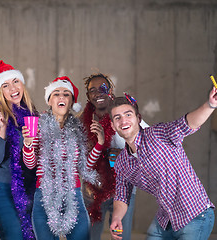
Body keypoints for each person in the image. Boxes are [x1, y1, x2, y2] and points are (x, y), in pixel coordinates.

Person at [108, 90, 216, 240]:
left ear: (138, 118)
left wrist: (210, 105)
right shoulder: (122, 162)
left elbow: (187, 124)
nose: (123, 121)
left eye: (128, 115)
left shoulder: (158, 134)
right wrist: (116, 218)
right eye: (117, 118)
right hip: (166, 219)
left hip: (195, 214)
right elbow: (122, 195)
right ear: (113, 126)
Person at [22, 76, 99, 240]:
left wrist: (99, 143)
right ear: (49, 101)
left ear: (71, 102)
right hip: (44, 195)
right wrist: (28, 144)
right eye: (56, 93)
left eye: (66, 94)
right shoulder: (38, 127)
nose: (62, 97)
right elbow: (30, 164)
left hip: (74, 194)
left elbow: (86, 166)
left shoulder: (78, 129)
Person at [80, 73, 148, 240]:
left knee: (120, 237)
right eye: (92, 90)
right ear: (88, 96)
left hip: (123, 190)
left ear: (110, 90)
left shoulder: (125, 113)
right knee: (89, 237)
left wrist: (126, 154)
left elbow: (149, 145)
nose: (98, 93)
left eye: (103, 88)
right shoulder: (81, 121)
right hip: (92, 191)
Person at [0, 60, 37, 239]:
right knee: (15, 235)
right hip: (2, 188)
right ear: (0, 92)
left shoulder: (32, 115)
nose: (13, 88)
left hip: (28, 190)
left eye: (16, 81)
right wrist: (2, 129)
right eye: (5, 85)